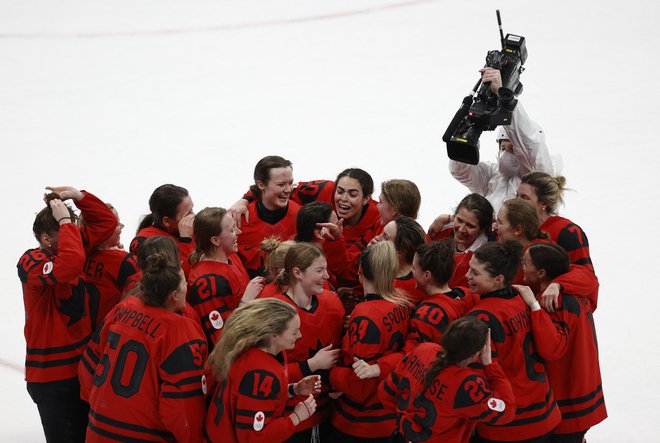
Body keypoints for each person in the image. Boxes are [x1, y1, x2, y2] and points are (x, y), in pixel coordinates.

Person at [79, 242, 208, 442]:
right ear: (174, 295)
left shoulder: (121, 308)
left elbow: (89, 364)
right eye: (184, 282)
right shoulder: (181, 331)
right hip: (144, 435)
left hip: (98, 428)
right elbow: (181, 407)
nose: (187, 285)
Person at [18, 186, 117, 443]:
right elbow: (70, 265)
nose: (73, 232)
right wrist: (64, 221)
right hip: (52, 379)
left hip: (81, 370)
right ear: (46, 238)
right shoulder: (31, 261)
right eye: (64, 229)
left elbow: (107, 223)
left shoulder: (71, 247)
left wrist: (79, 196)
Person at [466, 241, 561, 442]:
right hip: (543, 413)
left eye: (475, 272)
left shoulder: (482, 317)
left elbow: (480, 374)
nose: (467, 276)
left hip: (511, 425)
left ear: (498, 279)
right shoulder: (521, 299)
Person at [515, 243, 606, 443]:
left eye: (525, 263)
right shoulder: (574, 291)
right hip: (584, 392)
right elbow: (586, 277)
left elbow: (552, 349)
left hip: (567, 403)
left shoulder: (552, 301)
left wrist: (535, 308)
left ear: (540, 273)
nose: (521, 267)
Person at [378, 317, 516, 443]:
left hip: (402, 436)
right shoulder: (466, 383)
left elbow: (385, 392)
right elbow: (507, 411)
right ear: (476, 354)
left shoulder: (423, 349)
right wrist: (491, 366)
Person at [204, 298, 321, 442]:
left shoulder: (265, 352)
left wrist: (293, 390)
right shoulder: (260, 374)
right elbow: (254, 438)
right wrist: (296, 417)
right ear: (274, 336)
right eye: (294, 332)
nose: (300, 336)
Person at [328, 241, 412, 442]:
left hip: (360, 423)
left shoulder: (365, 314)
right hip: (391, 415)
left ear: (359, 271)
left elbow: (360, 387)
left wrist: (332, 374)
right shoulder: (402, 303)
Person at [447, 67, 554, 214]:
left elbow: (528, 142)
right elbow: (460, 171)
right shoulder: (494, 176)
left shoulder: (539, 178)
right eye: (502, 148)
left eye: (512, 149)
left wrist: (503, 95)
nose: (505, 154)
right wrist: (467, 133)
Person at [270, 242, 345, 442]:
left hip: (330, 413)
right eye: (319, 270)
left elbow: (342, 351)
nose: (327, 276)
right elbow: (267, 372)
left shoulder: (333, 303)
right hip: (292, 417)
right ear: (298, 273)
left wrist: (340, 381)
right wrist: (311, 365)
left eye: (326, 269)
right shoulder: (275, 313)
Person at [187, 207, 265, 348]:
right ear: (216, 240)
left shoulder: (231, 256)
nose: (239, 232)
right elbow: (222, 340)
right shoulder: (207, 283)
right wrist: (245, 302)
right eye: (231, 230)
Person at [403, 240, 479, 353]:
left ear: (427, 275)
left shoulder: (426, 314)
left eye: (414, 268)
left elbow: (412, 355)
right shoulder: (468, 294)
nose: (412, 272)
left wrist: (379, 367)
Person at [235, 155, 301, 278]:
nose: (288, 190)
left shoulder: (300, 216)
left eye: (291, 183)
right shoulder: (239, 220)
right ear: (261, 185)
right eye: (281, 184)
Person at [517, 172, 595, 275]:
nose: (517, 201)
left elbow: (586, 276)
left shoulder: (567, 231)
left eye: (524, 197)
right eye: (516, 195)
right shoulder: (514, 228)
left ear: (544, 203)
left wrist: (557, 286)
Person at [81, 203, 138, 329]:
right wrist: (123, 258)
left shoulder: (76, 256)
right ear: (104, 229)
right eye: (117, 224)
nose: (122, 227)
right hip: (110, 336)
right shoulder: (125, 262)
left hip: (82, 337)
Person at [426, 193, 494, 288]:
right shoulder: (441, 230)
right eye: (459, 220)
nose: (462, 229)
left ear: (483, 228)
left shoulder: (485, 255)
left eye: (470, 226)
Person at [130, 184, 196, 277]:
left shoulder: (189, 229)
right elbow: (183, 278)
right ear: (166, 221)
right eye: (188, 214)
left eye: (192, 208)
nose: (193, 216)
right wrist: (186, 241)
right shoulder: (146, 242)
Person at [376, 215, 427, 304]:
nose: (377, 237)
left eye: (385, 237)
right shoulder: (381, 269)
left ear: (399, 252)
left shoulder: (417, 287)